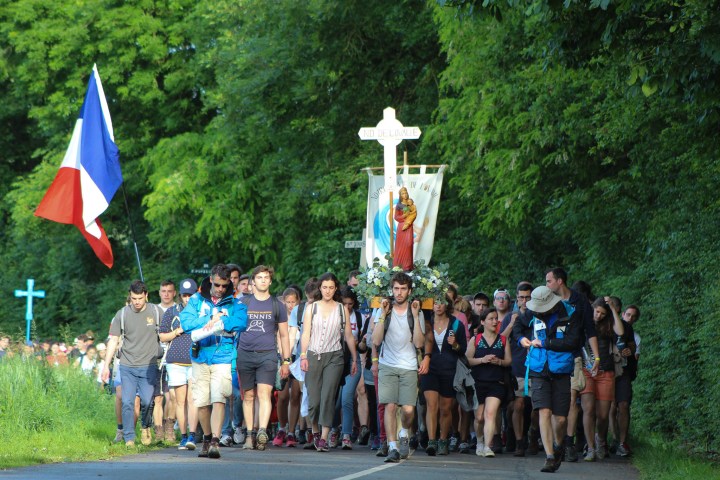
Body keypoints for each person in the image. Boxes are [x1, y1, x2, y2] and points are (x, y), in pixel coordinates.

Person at [180, 264, 248, 459]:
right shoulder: (196, 300)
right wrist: (209, 317)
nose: (220, 289)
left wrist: (221, 321)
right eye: (217, 285)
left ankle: (216, 441)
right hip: (200, 355)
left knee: (219, 397)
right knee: (201, 402)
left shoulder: (234, 302)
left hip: (223, 355)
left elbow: (242, 322)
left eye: (224, 285)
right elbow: (186, 323)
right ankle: (207, 437)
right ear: (211, 279)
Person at [515, 285, 585, 473]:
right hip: (538, 369)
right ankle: (549, 456)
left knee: (560, 419)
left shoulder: (570, 314)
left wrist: (545, 343)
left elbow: (573, 342)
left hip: (561, 370)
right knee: (543, 412)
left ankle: (558, 445)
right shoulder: (531, 312)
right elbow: (517, 328)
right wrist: (521, 339)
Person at [371, 272, 427, 463]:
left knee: (409, 410)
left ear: (409, 291)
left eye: (403, 289)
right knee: (390, 405)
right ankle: (393, 446)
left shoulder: (416, 312)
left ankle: (404, 431)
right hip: (388, 364)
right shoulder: (384, 311)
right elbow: (376, 340)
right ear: (392, 290)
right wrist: (382, 315)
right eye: (396, 288)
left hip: (409, 365)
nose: (399, 292)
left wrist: (414, 314)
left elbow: (419, 343)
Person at [545, 268, 600, 463]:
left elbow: (590, 330)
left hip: (573, 357)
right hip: (549, 356)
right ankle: (554, 443)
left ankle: (568, 443)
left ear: (560, 281)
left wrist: (597, 359)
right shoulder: (547, 300)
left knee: (571, 400)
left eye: (549, 281)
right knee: (554, 405)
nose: (546, 285)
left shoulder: (580, 301)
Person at [101, 280, 164, 447]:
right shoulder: (122, 314)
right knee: (127, 401)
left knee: (147, 401)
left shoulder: (156, 312)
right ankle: (129, 437)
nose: (137, 302)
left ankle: (145, 426)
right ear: (130, 296)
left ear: (146, 296)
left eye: (140, 298)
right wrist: (106, 365)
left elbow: (165, 334)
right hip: (127, 365)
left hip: (149, 365)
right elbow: (114, 340)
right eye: (134, 298)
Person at [299, 273, 358, 452]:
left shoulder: (342, 309)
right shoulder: (312, 308)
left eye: (331, 287)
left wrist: (354, 358)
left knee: (328, 397)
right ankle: (315, 431)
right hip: (313, 354)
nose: (328, 291)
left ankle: (324, 437)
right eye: (325, 287)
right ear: (320, 288)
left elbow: (348, 335)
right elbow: (306, 333)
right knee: (314, 399)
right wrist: (302, 355)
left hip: (335, 357)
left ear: (335, 289)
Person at [236, 265, 292, 451]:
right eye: (259, 277)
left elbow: (284, 335)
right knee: (249, 396)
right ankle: (250, 436)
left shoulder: (277, 305)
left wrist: (285, 361)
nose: (262, 280)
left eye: (266, 277)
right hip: (244, 354)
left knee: (264, 394)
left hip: (267, 355)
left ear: (270, 280)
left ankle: (262, 432)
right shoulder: (242, 303)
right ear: (252, 281)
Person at [421, 296, 467, 456]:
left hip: (449, 369)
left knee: (446, 408)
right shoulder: (426, 322)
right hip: (430, 368)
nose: (438, 306)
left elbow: (463, 350)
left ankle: (443, 440)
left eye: (441, 302)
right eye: (435, 302)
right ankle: (431, 441)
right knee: (431, 405)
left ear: (447, 304)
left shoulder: (456, 324)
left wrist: (454, 344)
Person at [580, 298, 624, 461]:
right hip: (587, 370)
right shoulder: (584, 322)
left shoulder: (608, 324)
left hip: (606, 371)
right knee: (588, 409)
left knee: (603, 415)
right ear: (592, 308)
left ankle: (601, 441)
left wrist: (612, 309)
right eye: (597, 311)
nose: (598, 316)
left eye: (602, 313)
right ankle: (590, 447)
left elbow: (620, 332)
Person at [159, 278, 199, 450]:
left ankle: (192, 435)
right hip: (175, 361)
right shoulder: (171, 312)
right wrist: (177, 331)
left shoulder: (201, 312)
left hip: (195, 360)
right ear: (180, 295)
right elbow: (162, 336)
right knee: (180, 401)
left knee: (193, 400)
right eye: (184, 295)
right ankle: (183, 436)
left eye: (191, 295)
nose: (187, 298)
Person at [466, 308, 512, 457]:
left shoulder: (503, 340)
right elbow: (467, 360)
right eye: (491, 319)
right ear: (483, 322)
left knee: (490, 413)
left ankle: (487, 446)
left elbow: (509, 361)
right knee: (479, 417)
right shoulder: (476, 339)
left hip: (496, 382)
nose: (494, 322)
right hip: (477, 382)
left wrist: (499, 361)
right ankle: (479, 441)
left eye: (496, 319)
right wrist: (482, 360)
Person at [501, 282, 534, 457]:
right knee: (518, 405)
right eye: (521, 297)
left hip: (536, 368)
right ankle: (519, 441)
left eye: (527, 297)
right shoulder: (510, 317)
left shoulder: (539, 315)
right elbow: (501, 340)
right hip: (517, 368)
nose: (524, 301)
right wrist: (512, 323)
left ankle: (533, 437)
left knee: (536, 408)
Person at [330, 286, 362, 449]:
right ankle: (334, 429)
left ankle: (347, 435)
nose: (347, 307)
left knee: (347, 398)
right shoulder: (333, 314)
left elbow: (364, 344)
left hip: (353, 361)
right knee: (334, 402)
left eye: (350, 304)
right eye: (344, 303)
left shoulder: (359, 317)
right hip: (336, 360)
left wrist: (360, 345)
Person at [273, 287, 302, 447]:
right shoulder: (281, 317)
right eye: (288, 302)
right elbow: (280, 338)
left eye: (294, 301)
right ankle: (281, 428)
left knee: (295, 396)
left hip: (297, 359)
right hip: (283, 358)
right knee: (282, 396)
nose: (291, 305)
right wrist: (284, 358)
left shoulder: (301, 316)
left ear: (298, 301)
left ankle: (291, 432)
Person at [613, 304, 640, 457]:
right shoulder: (599, 325)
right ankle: (609, 440)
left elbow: (633, 348)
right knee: (609, 408)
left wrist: (629, 351)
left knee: (623, 405)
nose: (630, 318)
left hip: (623, 371)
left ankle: (622, 442)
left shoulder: (627, 329)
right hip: (606, 371)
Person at [155, 280, 178, 442]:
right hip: (156, 357)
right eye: (163, 291)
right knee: (158, 397)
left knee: (174, 396)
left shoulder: (179, 310)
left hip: (174, 356)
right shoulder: (153, 311)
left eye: (169, 291)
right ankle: (158, 430)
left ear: (174, 293)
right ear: (159, 292)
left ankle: (170, 427)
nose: (166, 294)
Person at [392, 187, 417, 271]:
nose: (405, 195)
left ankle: (408, 266)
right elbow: (396, 217)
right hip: (402, 227)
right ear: (400, 195)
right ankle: (399, 265)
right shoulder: (399, 205)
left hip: (409, 227)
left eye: (406, 193)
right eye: (403, 193)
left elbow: (414, 213)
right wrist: (403, 216)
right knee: (400, 246)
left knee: (409, 244)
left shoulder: (410, 203)